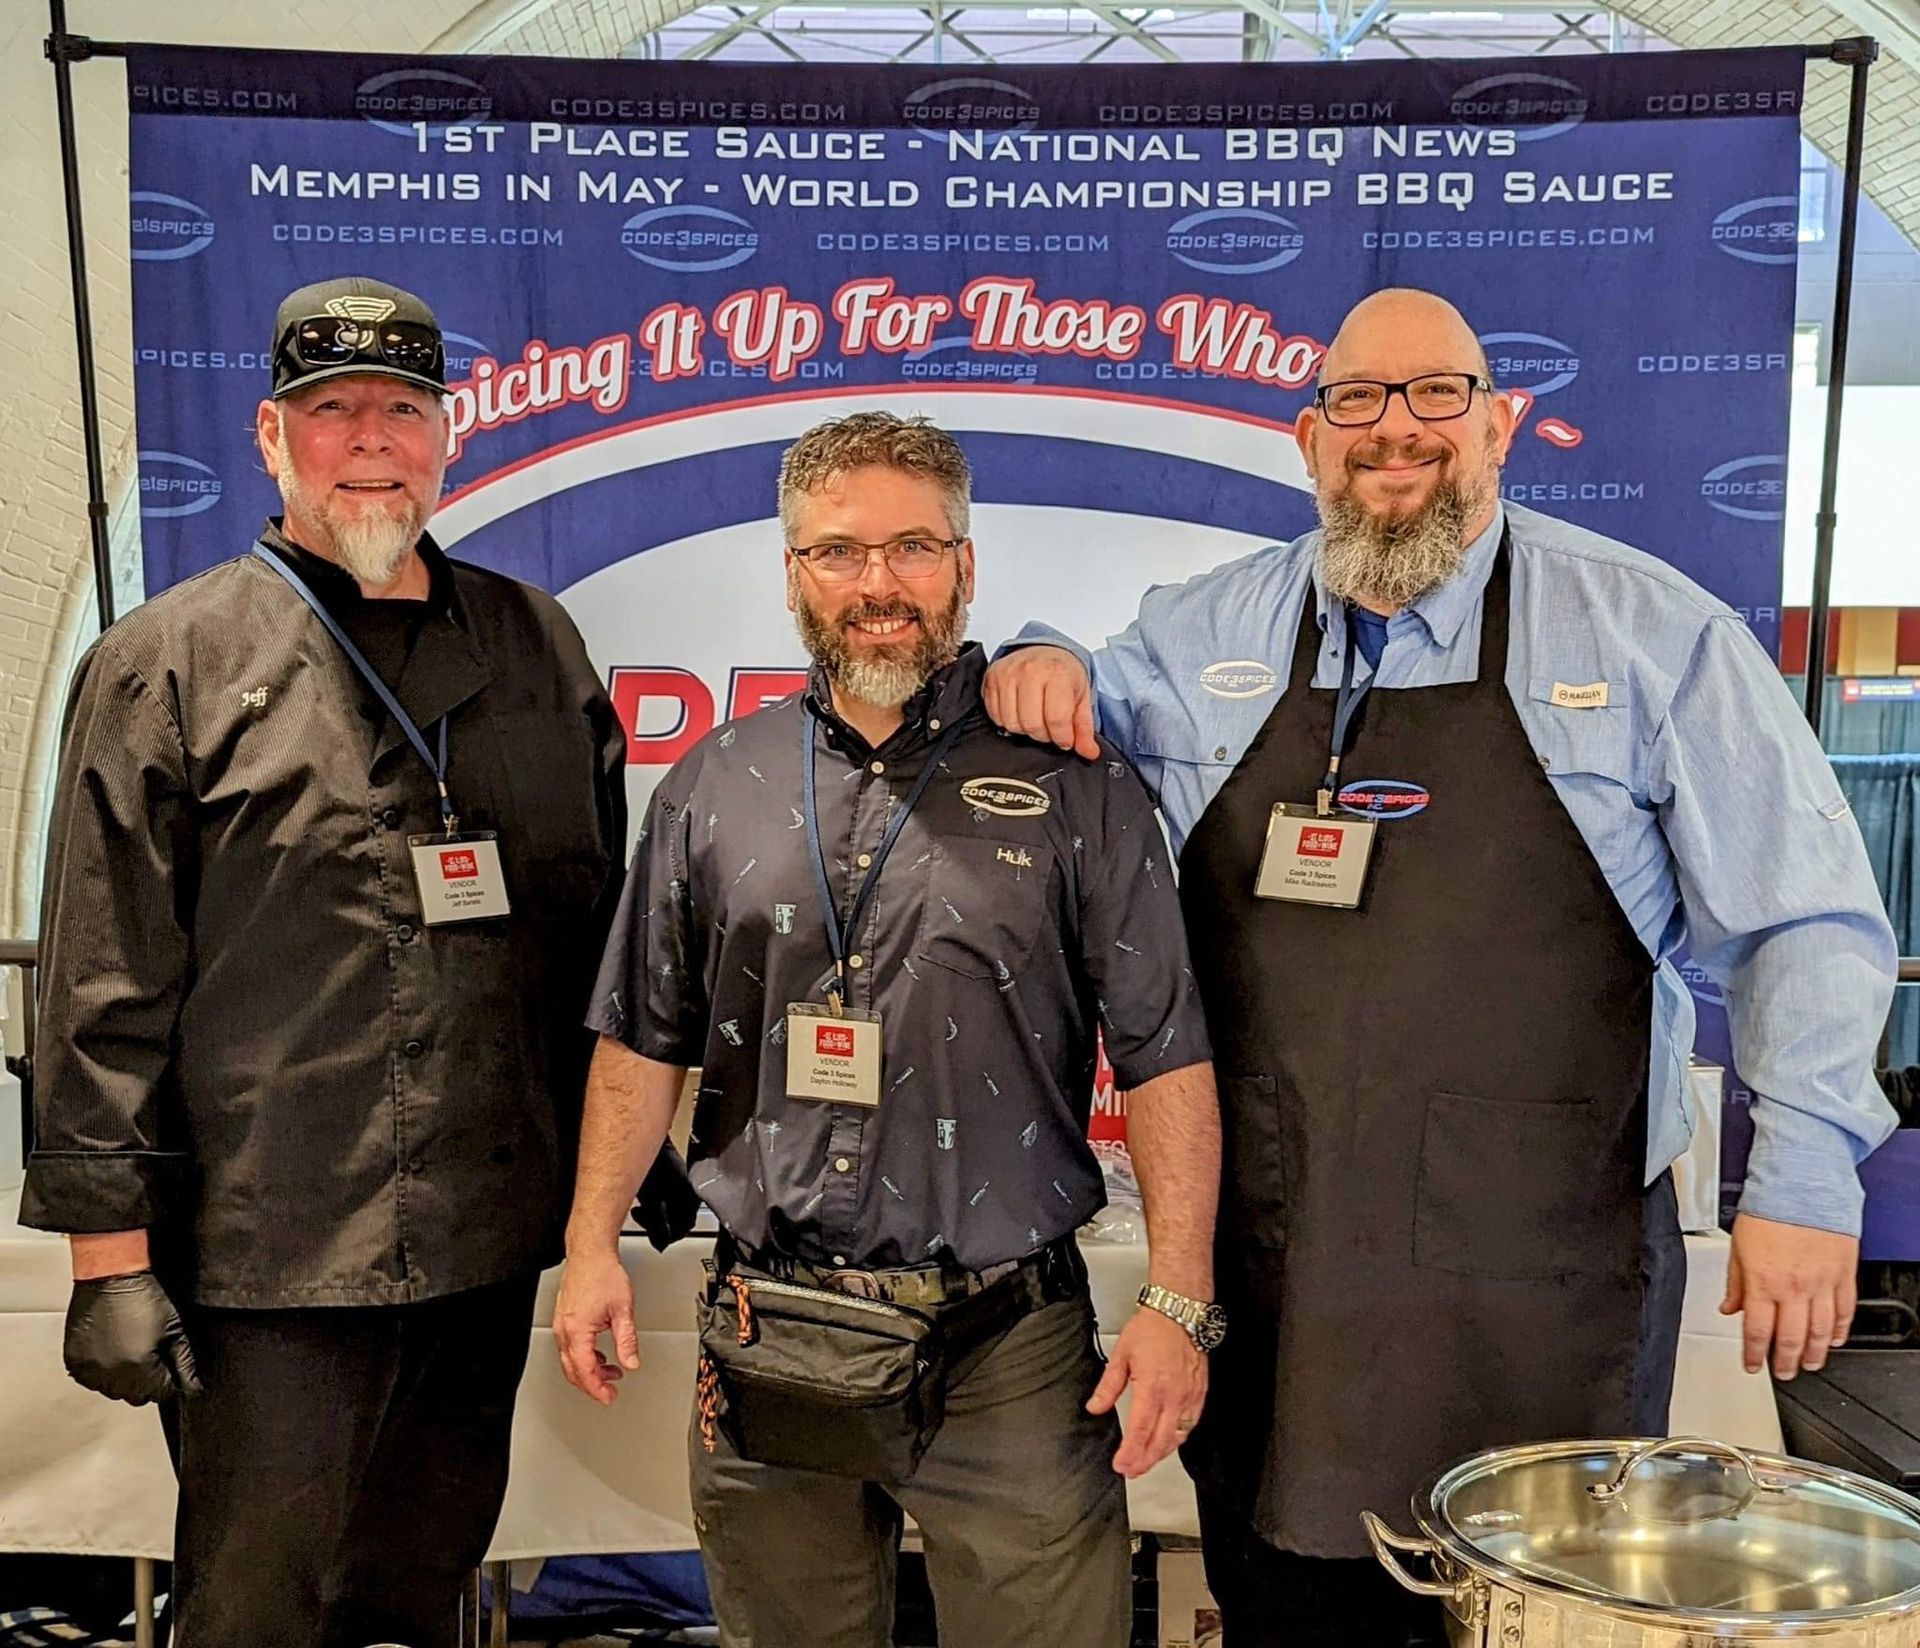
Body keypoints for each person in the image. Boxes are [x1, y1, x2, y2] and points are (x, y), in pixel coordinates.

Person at [983, 287, 1899, 1646]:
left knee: (1545, 1615)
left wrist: (1808, 1176)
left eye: (1436, 396)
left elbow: (1806, 917)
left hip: (1547, 1269)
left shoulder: (1651, 635)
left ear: (1499, 425)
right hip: (1285, 1268)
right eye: (1357, 400)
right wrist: (1034, 653)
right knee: (1288, 1604)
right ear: (1309, 437)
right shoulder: (1208, 632)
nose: (1394, 429)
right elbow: (1072, 693)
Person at [21, 275, 633, 1648]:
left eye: (401, 409)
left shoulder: (538, 648)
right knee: (257, 1607)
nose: (370, 437)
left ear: (448, 435)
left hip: (484, 1243)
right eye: (333, 408)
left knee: (421, 1593)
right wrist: (107, 1259)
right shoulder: (163, 663)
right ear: (270, 437)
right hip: (266, 1260)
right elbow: (98, 986)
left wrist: (609, 1193)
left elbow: (599, 950)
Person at [554, 411, 1224, 1648]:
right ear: (793, 572)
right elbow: (644, 1034)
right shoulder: (714, 782)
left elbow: (1166, 1051)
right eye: (840, 553)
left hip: (1010, 1358)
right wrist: (592, 1240)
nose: (879, 586)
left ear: (966, 565)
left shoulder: (1074, 781)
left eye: (914, 548)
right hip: (770, 1339)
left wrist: (1181, 1300)